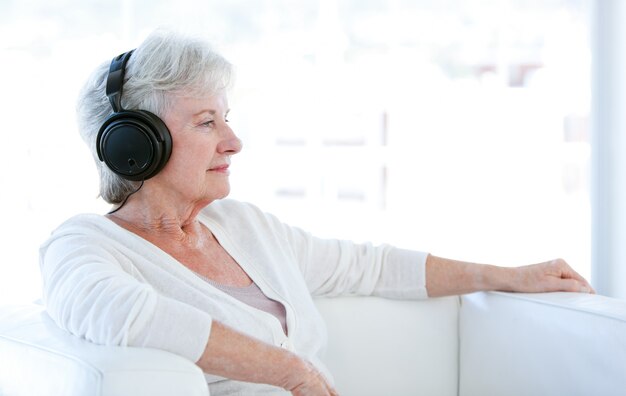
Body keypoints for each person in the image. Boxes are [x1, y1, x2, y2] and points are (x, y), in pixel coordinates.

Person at [39, 29, 594, 396]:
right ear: (135, 145)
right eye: (207, 122)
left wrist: (510, 276)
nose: (233, 142)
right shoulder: (84, 245)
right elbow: (122, 316)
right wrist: (291, 371)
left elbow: (368, 266)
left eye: (226, 118)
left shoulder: (243, 227)